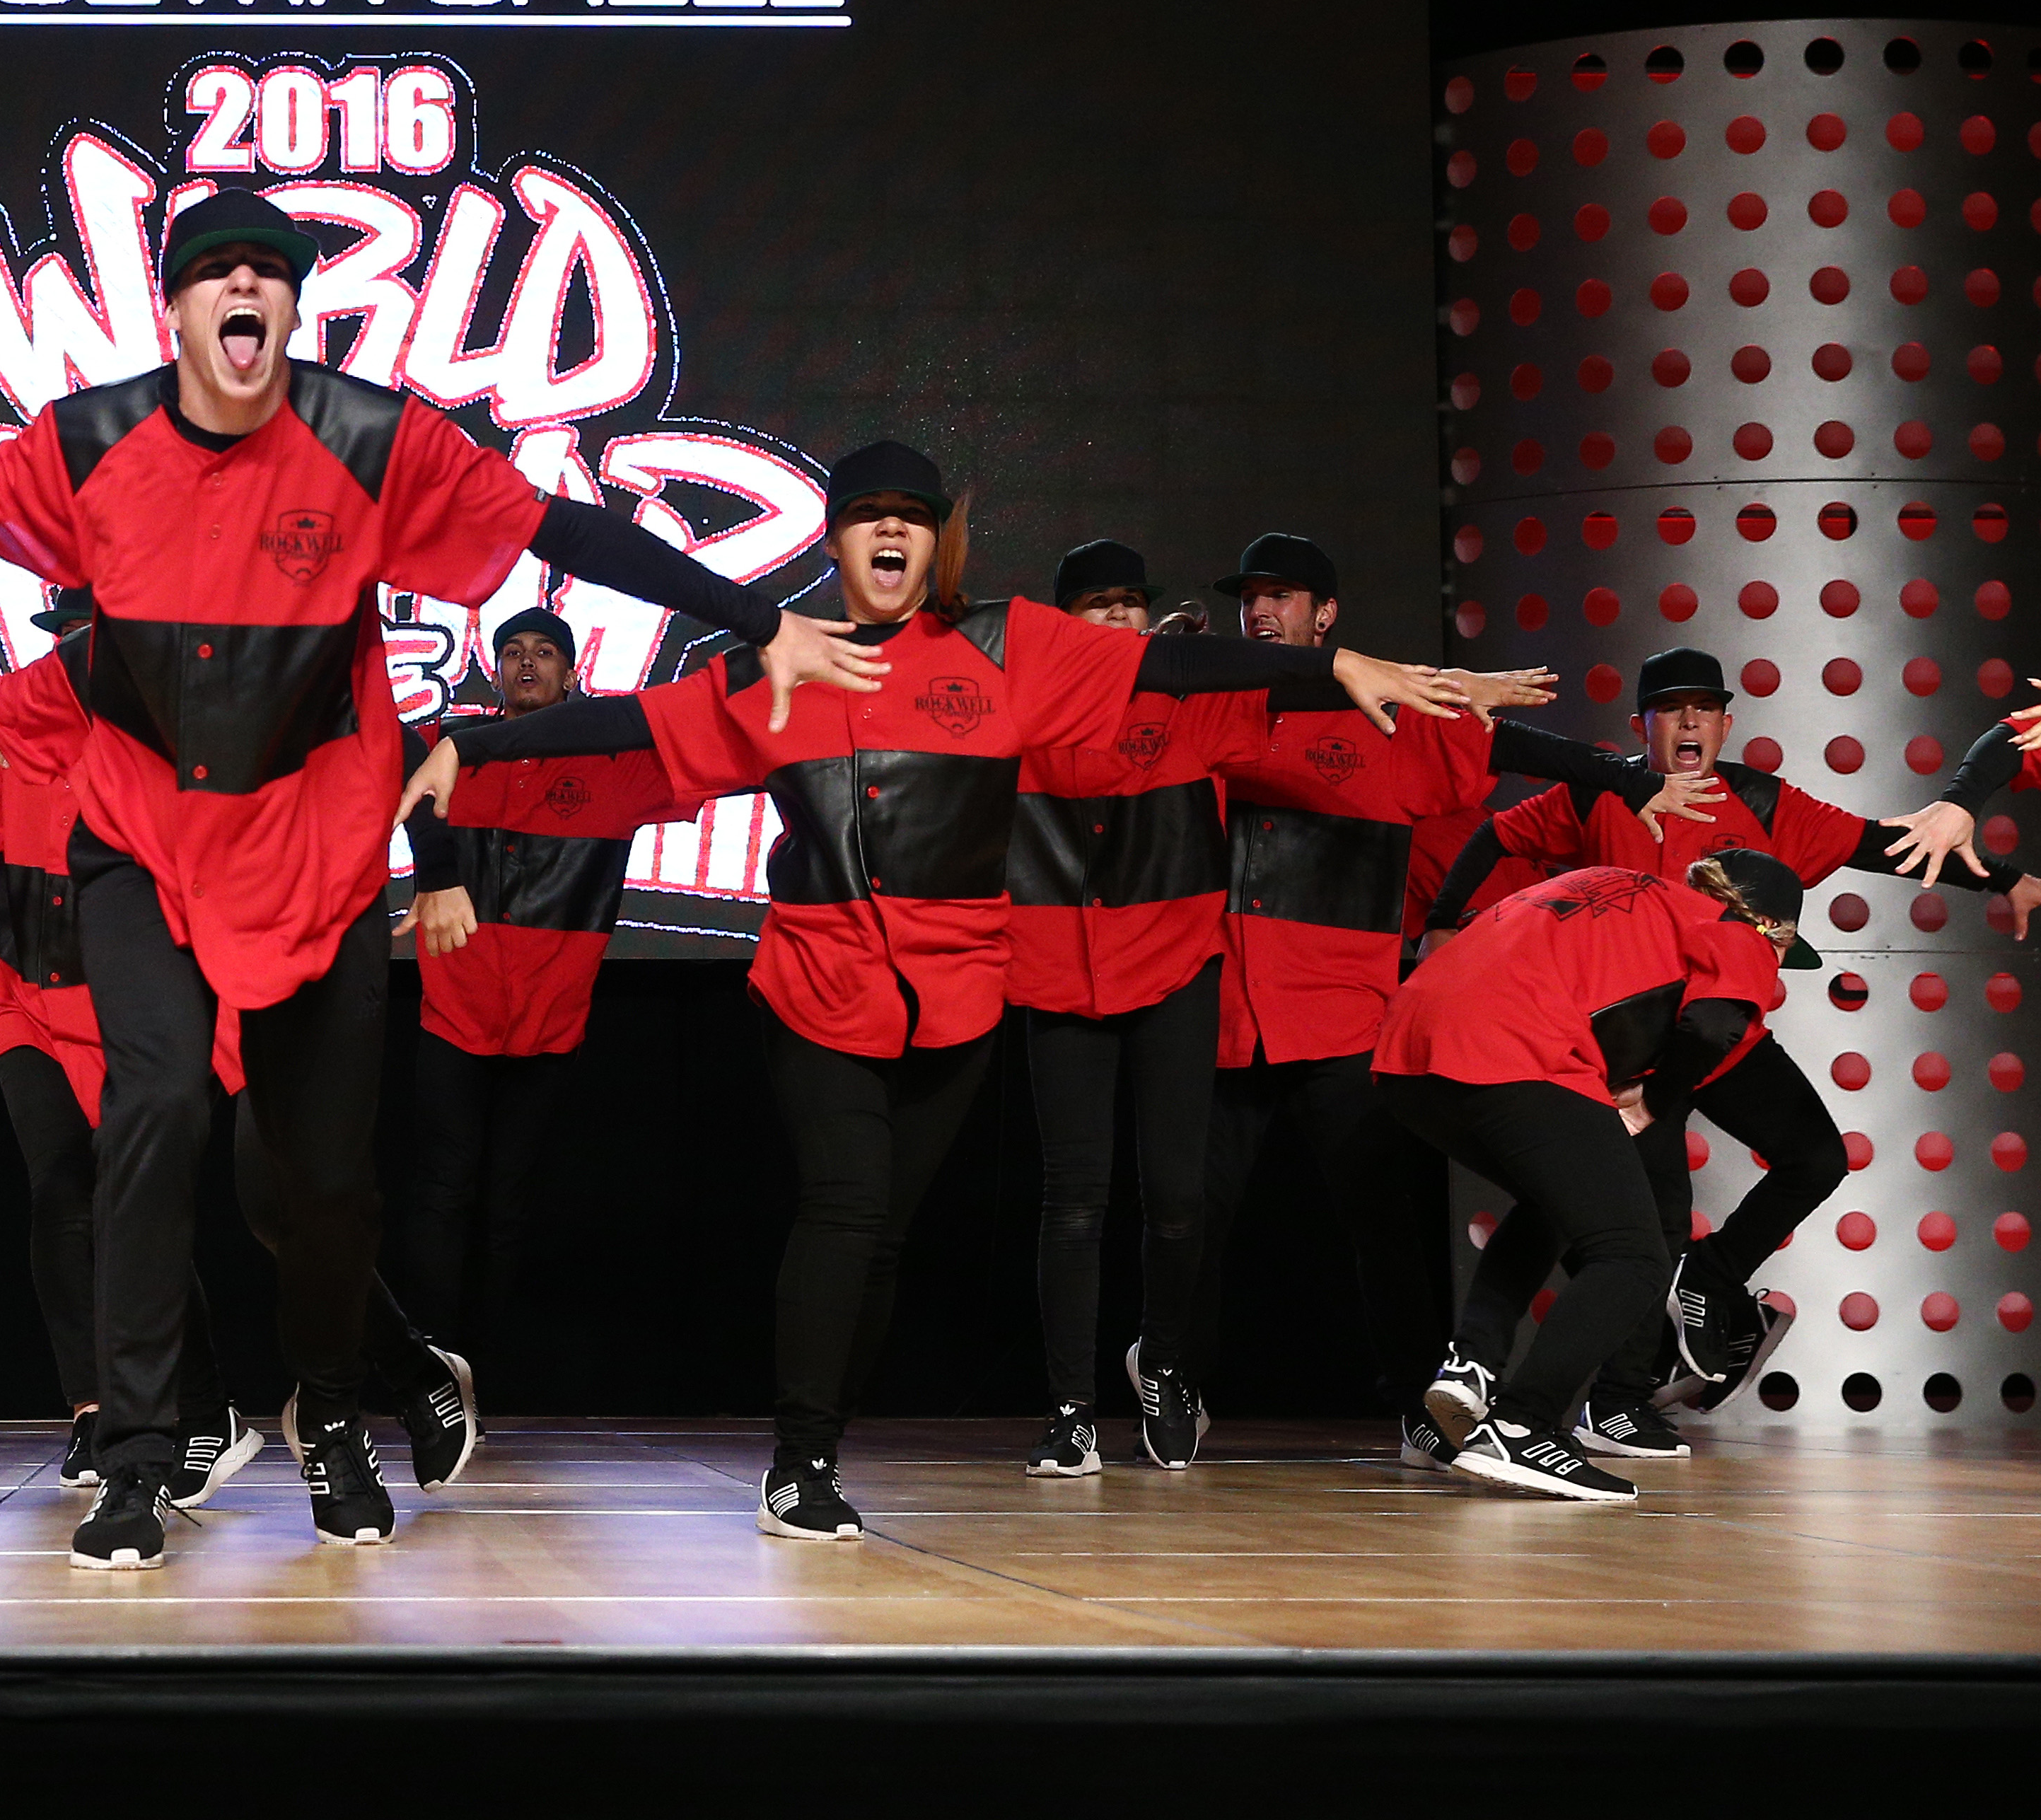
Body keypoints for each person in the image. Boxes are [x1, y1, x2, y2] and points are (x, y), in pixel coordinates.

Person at [0, 186, 874, 1570]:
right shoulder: (89, 442)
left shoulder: (370, 440)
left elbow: (554, 528)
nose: (246, 289)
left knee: (321, 1186)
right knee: (152, 1117)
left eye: (271, 271)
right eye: (219, 272)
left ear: (290, 310)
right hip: (141, 843)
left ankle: (330, 1415)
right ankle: (137, 1457)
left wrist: (753, 617)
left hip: (314, 853)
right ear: (177, 310)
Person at [400, 447, 1467, 1542]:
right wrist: (471, 746)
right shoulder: (779, 663)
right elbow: (630, 725)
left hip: (955, 1000)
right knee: (846, 1207)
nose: (889, 531)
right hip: (819, 981)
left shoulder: (1010, 647)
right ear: (835, 540)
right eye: (867, 515)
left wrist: (1337, 668)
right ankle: (800, 1462)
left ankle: (822, 1440)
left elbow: (1171, 670)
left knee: (885, 1240)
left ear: (935, 541)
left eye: (909, 515)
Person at [0, 589, 473, 1505]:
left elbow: (393, 753)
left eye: (98, 639)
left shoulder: (205, 732)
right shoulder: (21, 748)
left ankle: (406, 1366)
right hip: (33, 1002)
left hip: (186, 999)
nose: (84, 661)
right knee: (76, 1197)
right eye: (72, 644)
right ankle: (159, 1414)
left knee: (275, 1206)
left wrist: (438, 869)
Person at [1419, 644, 2033, 1453]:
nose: (1689, 722)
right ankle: (1615, 1401)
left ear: (1725, 724)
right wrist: (1442, 924)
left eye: (1704, 709)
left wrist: (2004, 879)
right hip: (1628, 1045)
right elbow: (1496, 836)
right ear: (1642, 724)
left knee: (1817, 1157)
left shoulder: (1766, 803)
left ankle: (1707, 1282)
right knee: (1648, 1221)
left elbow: (1888, 846)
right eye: (1671, 709)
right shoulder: (1605, 790)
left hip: (1720, 1029)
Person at [1188, 532, 1703, 1467]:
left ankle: (1421, 1405)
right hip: (1227, 1012)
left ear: (1327, 614)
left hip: (1344, 1016)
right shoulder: (1220, 704)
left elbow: (1507, 743)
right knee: (1192, 1216)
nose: (1262, 609)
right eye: (1251, 596)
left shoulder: (1393, 720)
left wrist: (1630, 777)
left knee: (1383, 1227)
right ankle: (1174, 1383)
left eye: (1285, 594)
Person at [1003, 540, 1317, 1479]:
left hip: (1176, 968)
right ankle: (1069, 1413)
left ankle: (1168, 1368)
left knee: (1178, 1200)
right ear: (1061, 623)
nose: (1118, 618)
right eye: (1097, 603)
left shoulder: (1196, 703)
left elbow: (1303, 681)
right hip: (1060, 974)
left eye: (1131, 603)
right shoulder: (1019, 709)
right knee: (1073, 1202)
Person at [1377, 852, 1801, 1502]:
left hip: (1407, 1050)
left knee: (1552, 1205)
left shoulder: (1613, 887)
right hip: (1515, 1046)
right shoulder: (1738, 931)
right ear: (1773, 926)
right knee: (1634, 1254)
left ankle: (1463, 1382)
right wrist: (1653, 1103)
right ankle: (1522, 1427)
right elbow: (1714, 1023)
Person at [395, 606, 673, 1393]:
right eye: (512, 651)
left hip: (550, 1023)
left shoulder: (617, 765)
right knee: (441, 1194)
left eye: (544, 652)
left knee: (510, 1205)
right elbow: (388, 758)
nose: (527, 663)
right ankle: (429, 1373)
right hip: (454, 1012)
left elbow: (728, 754)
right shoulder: (444, 753)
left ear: (571, 673)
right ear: (493, 672)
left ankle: (483, 1376)